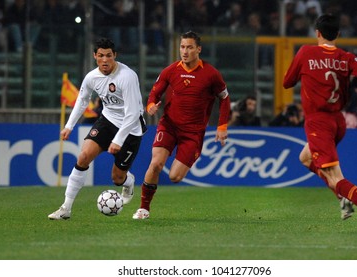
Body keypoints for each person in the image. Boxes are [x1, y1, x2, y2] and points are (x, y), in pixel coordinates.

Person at [283, 14, 357, 233]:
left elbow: (287, 82)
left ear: (317, 33)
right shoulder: (347, 57)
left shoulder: (306, 52)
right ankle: (342, 197)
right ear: (338, 34)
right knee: (304, 158)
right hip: (337, 121)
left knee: (335, 177)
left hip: (318, 121)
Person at [132, 31, 231, 220]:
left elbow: (224, 99)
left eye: (189, 47)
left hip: (193, 133)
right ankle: (144, 208)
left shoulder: (211, 74)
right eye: (182, 47)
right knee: (156, 164)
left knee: (175, 177)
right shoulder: (170, 70)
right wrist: (151, 105)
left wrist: (222, 125)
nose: (184, 51)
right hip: (169, 126)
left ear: (198, 49)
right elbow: (154, 94)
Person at [48, 38, 146, 220]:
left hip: (130, 128)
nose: (105, 60)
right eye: (100, 56)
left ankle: (129, 182)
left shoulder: (128, 76)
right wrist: (69, 126)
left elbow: (133, 113)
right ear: (95, 56)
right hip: (107, 121)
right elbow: (83, 100)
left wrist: (118, 140)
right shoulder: (92, 77)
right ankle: (65, 208)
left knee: (117, 178)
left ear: (115, 56)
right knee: (83, 157)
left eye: (109, 55)